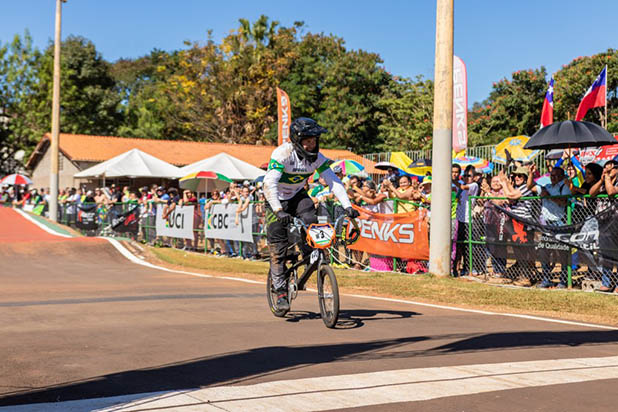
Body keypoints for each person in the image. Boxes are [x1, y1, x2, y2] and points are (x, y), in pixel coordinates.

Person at [263, 117, 359, 311]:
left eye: (314, 140)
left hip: (298, 195)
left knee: (311, 221)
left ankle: (310, 254)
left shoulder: (318, 158)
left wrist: (348, 206)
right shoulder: (283, 154)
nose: (311, 144)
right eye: (307, 140)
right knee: (278, 247)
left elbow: (333, 181)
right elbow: (269, 184)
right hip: (275, 199)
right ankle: (280, 290)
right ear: (297, 140)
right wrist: (278, 210)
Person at [452, 169, 480, 276]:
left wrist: (452, 179)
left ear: (474, 177)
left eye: (469, 175)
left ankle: (469, 268)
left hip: (468, 220)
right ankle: (457, 267)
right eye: (465, 175)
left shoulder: (474, 185)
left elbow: (463, 187)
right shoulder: (461, 185)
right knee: (459, 246)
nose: (466, 177)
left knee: (468, 247)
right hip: (459, 219)